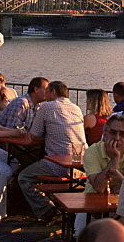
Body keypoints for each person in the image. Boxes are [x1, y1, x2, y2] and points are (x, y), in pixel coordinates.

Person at [19, 81, 88, 223]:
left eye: (47, 92)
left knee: (24, 177)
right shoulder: (76, 108)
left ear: (54, 92)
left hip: (59, 164)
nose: (45, 95)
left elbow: (34, 135)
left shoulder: (46, 107)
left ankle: (47, 210)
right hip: (81, 164)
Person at [76, 114, 124, 237]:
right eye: (113, 133)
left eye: (122, 134)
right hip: (92, 205)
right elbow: (99, 187)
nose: (117, 138)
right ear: (105, 135)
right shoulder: (92, 151)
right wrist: (115, 158)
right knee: (81, 234)